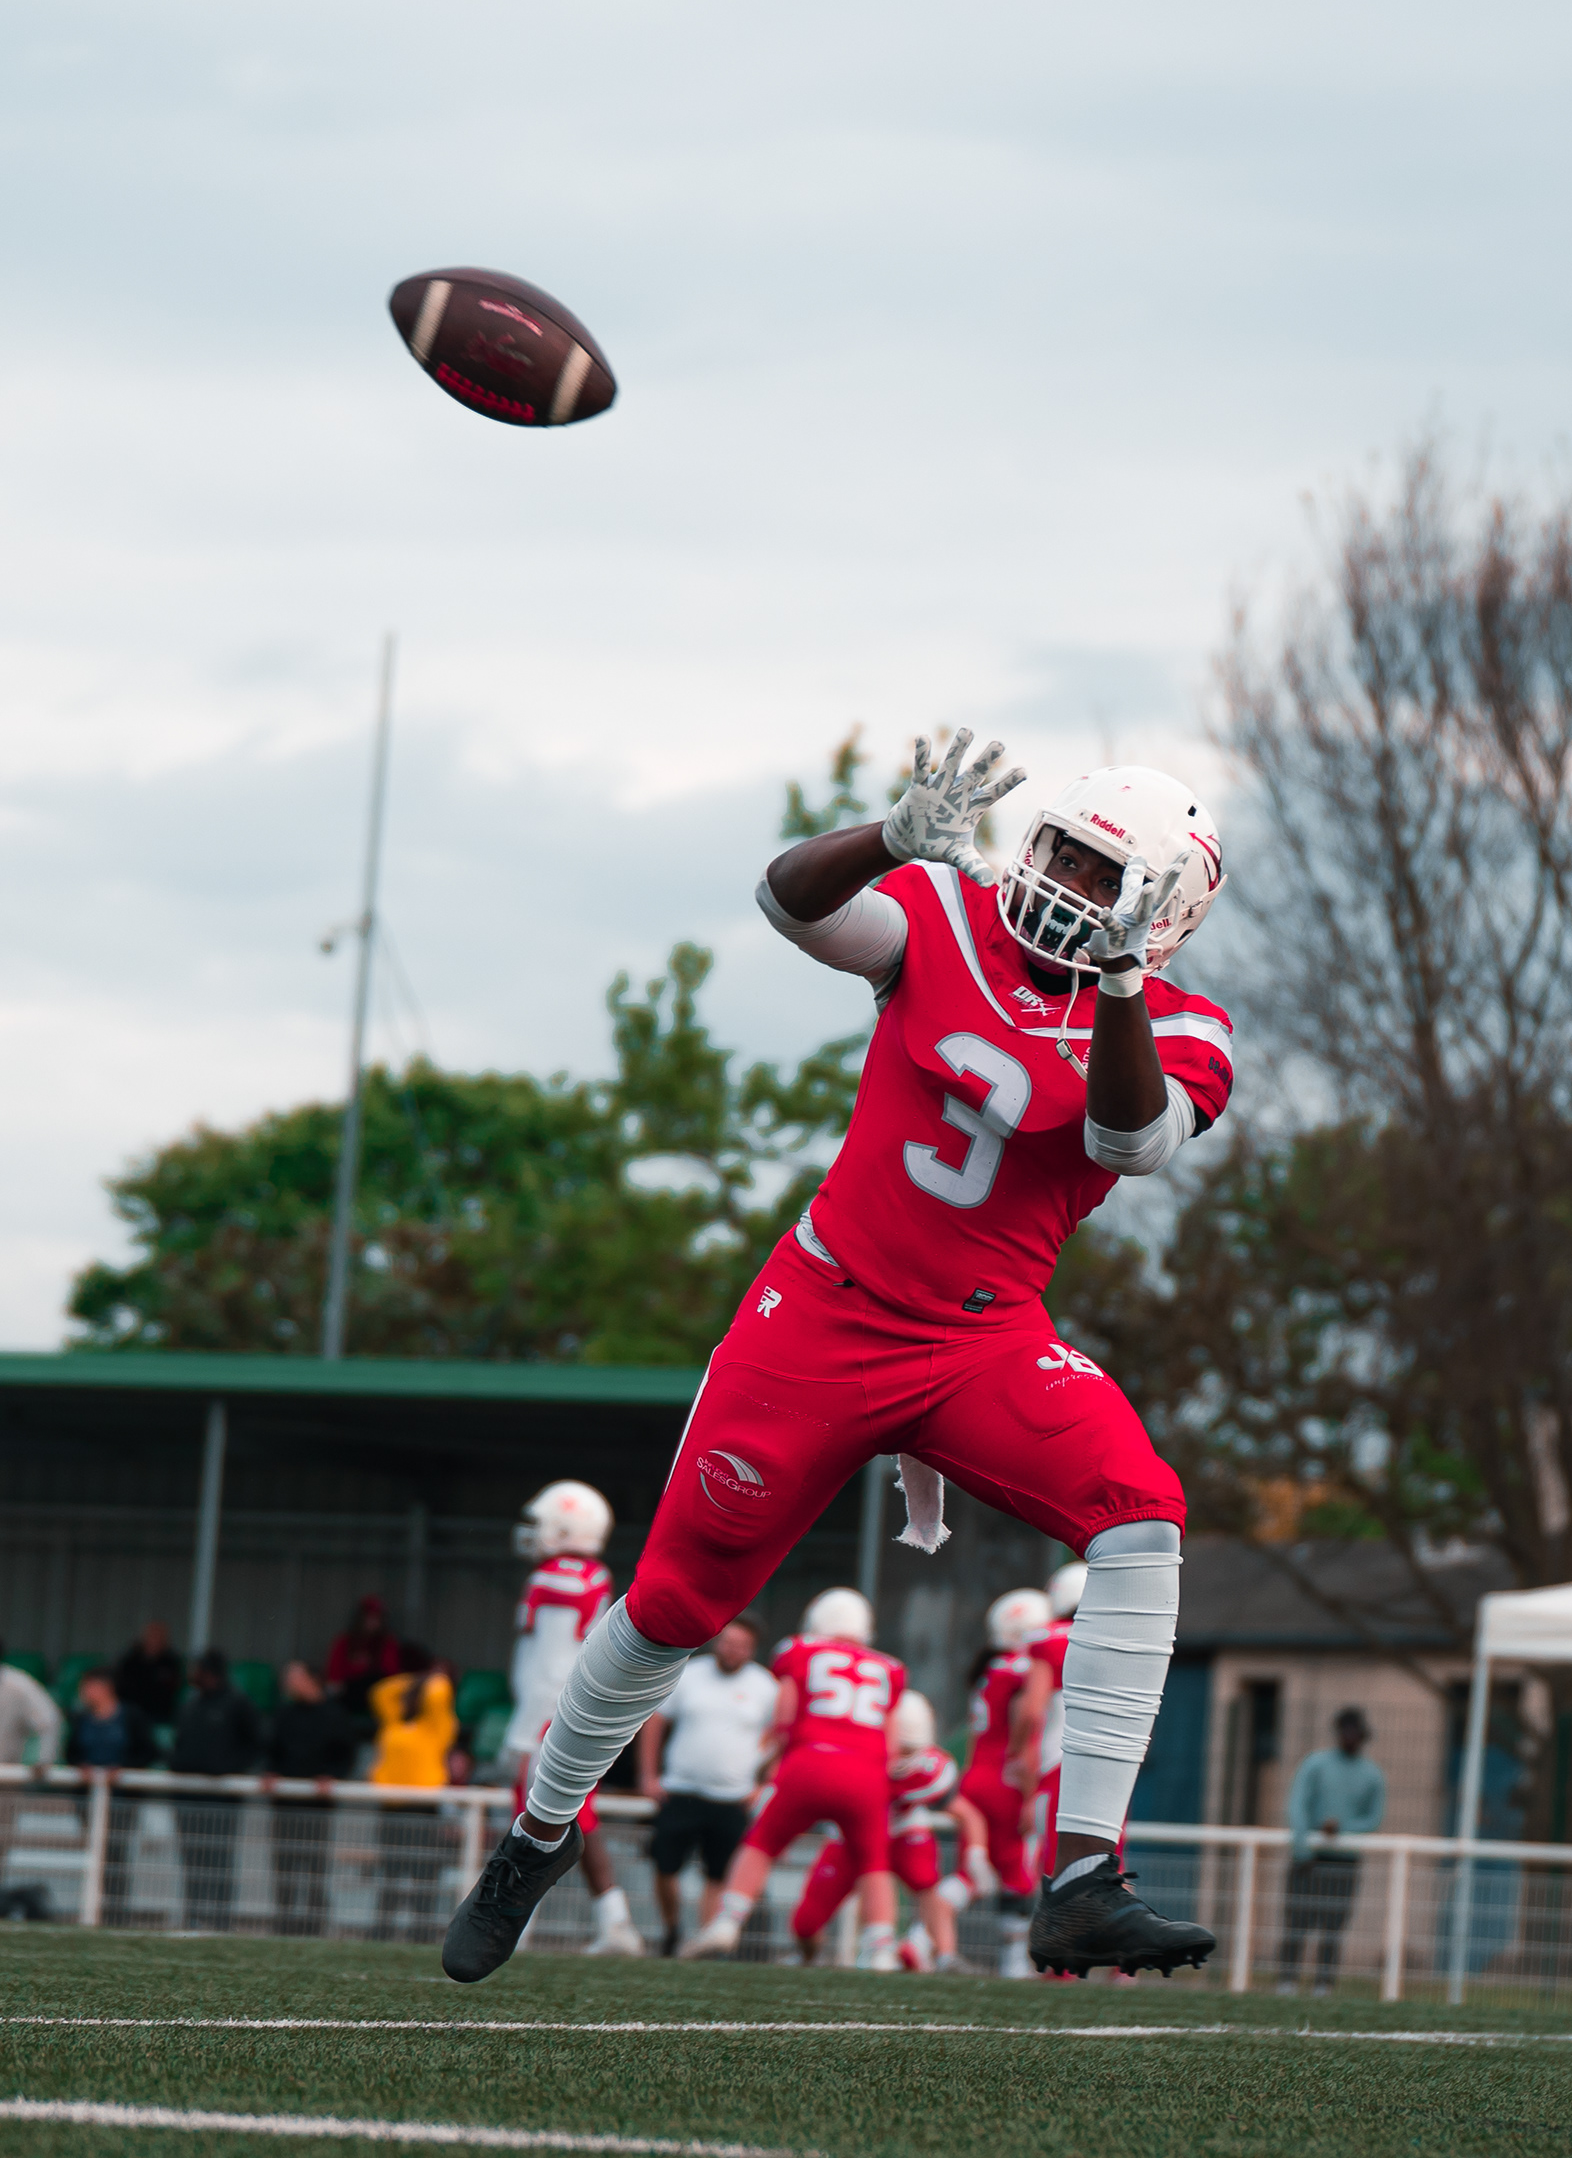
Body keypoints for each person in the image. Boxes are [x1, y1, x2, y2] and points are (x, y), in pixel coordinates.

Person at [444, 737, 1232, 1986]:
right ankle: (537, 1837)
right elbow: (790, 903)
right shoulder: (946, 918)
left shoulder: (1183, 1026)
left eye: (1103, 875)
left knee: (1143, 1516)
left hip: (980, 1336)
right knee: (674, 1604)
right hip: (824, 1313)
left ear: (1164, 912)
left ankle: (1085, 1878)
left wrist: (1124, 983)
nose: (1068, 887)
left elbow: (1130, 1143)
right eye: (1064, 855)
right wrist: (886, 839)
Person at [681, 1588, 906, 1970]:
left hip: (810, 1759)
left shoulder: (800, 1649)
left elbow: (784, 1716)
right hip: (866, 1770)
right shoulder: (889, 1667)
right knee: (874, 1862)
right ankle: (881, 1946)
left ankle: (727, 1921)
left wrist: (773, 1762)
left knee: (762, 1842)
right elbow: (893, 1743)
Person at [503, 1480, 642, 1957]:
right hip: (571, 1711)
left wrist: (522, 1734)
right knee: (574, 1817)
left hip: (549, 1716)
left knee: (536, 1821)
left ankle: (511, 1922)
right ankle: (613, 1920)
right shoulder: (589, 1573)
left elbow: (548, 1664)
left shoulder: (558, 1576)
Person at [791, 1689, 969, 1973]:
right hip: (851, 1837)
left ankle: (946, 1955)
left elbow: (964, 1811)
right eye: (900, 1748)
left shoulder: (929, 1768)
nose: (903, 1757)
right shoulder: (852, 1755)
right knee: (806, 1922)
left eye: (910, 1750)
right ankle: (808, 1959)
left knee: (925, 1882)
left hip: (902, 1831)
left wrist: (976, 1853)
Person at [638, 1612, 777, 1956]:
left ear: (752, 1649)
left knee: (718, 1875)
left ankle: (701, 1945)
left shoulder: (765, 1686)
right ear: (718, 1640)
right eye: (728, 1642)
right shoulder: (689, 1672)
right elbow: (655, 1721)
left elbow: (779, 1738)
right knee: (664, 1866)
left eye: (741, 1645)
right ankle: (672, 1929)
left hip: (732, 1798)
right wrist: (648, 1775)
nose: (732, 1650)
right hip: (680, 1790)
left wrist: (764, 1784)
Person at [955, 1586, 1052, 1977]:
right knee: (1016, 1872)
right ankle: (1014, 1960)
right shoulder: (1023, 1670)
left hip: (975, 1775)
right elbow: (1026, 1726)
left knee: (972, 1872)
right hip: (1006, 1781)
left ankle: (922, 1938)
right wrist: (1029, 1792)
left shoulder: (991, 1668)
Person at [1278, 1707, 1387, 1995]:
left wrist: (1342, 1829)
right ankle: (1287, 1981)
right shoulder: (1316, 1764)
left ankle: (1323, 1984)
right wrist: (1303, 1847)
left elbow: (1373, 1819)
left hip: (1345, 1861)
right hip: (1308, 1859)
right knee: (1297, 1921)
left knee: (1333, 1926)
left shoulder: (1372, 1775)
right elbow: (1298, 1804)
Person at [262, 1661, 357, 1939]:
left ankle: (315, 1927)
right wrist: (270, 1772)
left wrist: (332, 1776)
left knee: (315, 1868)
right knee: (284, 1868)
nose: (288, 1683)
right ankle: (283, 1926)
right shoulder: (284, 1713)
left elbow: (346, 1755)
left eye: (293, 1677)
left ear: (311, 1679)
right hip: (284, 1806)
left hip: (318, 1808)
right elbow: (271, 1750)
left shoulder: (334, 1715)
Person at [370, 1647, 458, 1942]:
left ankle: (421, 1931)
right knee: (391, 1871)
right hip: (391, 1806)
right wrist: (417, 1679)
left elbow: (439, 1692)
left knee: (423, 1872)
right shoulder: (395, 1719)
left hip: (422, 1807)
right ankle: (384, 1929)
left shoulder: (439, 1724)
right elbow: (380, 1692)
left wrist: (431, 1679)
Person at [170, 1650, 261, 1932]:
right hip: (188, 1796)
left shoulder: (238, 1703)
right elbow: (179, 1743)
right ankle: (194, 1915)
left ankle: (221, 1920)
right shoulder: (191, 1705)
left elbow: (254, 1745)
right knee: (192, 1860)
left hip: (222, 1798)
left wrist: (227, 1769)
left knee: (219, 1860)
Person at [67, 1668, 156, 1927]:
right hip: (89, 1798)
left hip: (122, 1799)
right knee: (95, 1855)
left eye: (89, 1686)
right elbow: (71, 1752)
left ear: (105, 1687)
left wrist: (123, 1769)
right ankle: (94, 1910)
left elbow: (148, 1750)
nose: (84, 1692)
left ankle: (116, 1913)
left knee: (116, 1854)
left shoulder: (131, 1716)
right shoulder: (81, 1718)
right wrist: (81, 1767)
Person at [1024, 1559, 1086, 1882]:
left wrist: (1021, 1759)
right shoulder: (1121, 1639)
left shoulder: (1049, 1639)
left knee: (1056, 1866)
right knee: (1109, 1869)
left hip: (1059, 1761)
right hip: (1112, 1762)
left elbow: (1032, 1711)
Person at [326, 1596, 402, 1723]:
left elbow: (391, 1674)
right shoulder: (345, 1641)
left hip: (375, 1693)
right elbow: (334, 1676)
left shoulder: (387, 1643)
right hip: (348, 1693)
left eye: (377, 1618)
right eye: (369, 1617)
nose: (373, 1622)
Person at [113, 1621, 184, 1733]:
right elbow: (121, 1685)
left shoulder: (171, 1661)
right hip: (132, 1710)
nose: (154, 1640)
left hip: (159, 1713)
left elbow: (174, 1687)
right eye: (151, 1636)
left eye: (158, 1637)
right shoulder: (130, 1659)